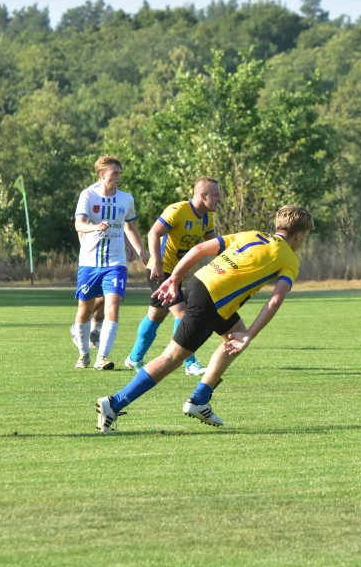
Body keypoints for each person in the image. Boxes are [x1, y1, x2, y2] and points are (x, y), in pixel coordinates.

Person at [96, 205, 314, 433]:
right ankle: (114, 403)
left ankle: (201, 398)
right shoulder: (290, 259)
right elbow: (275, 300)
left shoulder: (252, 234)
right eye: (304, 237)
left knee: (233, 338)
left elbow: (199, 248)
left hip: (199, 283)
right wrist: (250, 335)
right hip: (212, 300)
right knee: (172, 358)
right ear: (299, 235)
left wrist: (174, 279)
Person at [124, 177, 223, 376]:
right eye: (216, 195)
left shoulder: (207, 218)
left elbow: (214, 245)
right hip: (159, 271)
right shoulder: (177, 210)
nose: (219, 199)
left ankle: (134, 358)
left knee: (156, 315)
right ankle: (190, 363)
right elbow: (154, 233)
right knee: (183, 313)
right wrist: (157, 264)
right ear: (202, 195)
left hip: (176, 274)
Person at [71, 155, 149, 370]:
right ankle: (84, 354)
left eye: (120, 173)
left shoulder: (126, 199)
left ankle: (101, 358)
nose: (118, 177)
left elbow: (129, 227)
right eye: (115, 173)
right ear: (102, 174)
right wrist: (94, 227)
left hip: (116, 262)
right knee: (84, 310)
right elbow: (79, 224)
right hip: (89, 261)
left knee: (113, 306)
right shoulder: (88, 195)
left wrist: (140, 250)